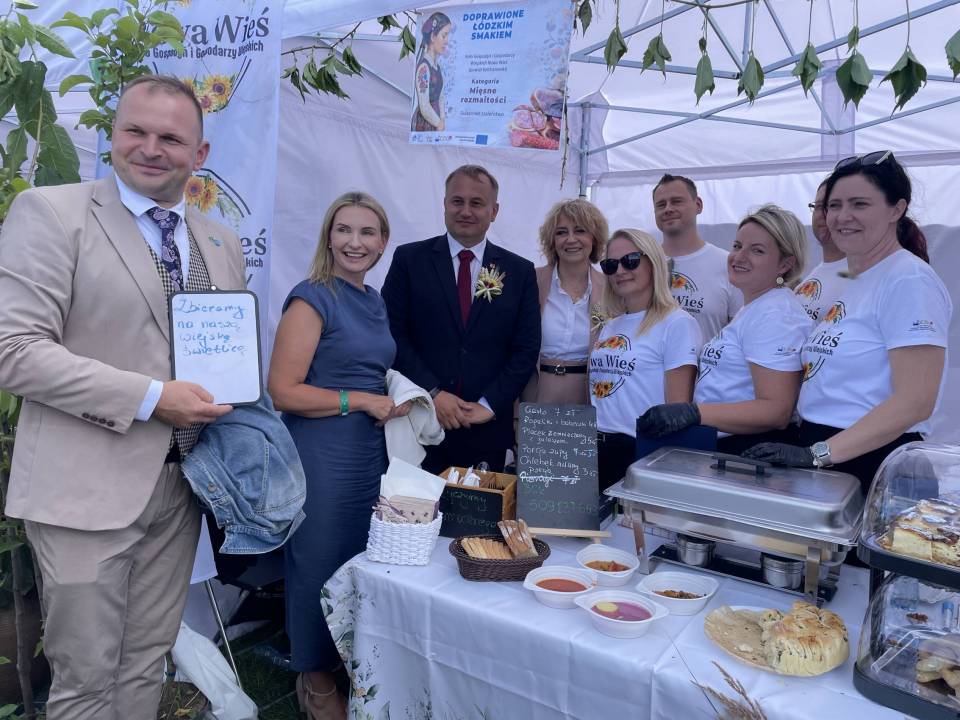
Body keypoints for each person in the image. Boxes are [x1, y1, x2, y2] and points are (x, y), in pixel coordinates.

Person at [0, 75, 245, 718]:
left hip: (182, 490)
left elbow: (221, 360)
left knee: (145, 665)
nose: (151, 148)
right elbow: (13, 349)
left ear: (200, 153)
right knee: (85, 682)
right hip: (83, 491)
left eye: (171, 138)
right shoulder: (52, 213)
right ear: (112, 135)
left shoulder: (221, 242)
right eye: (136, 130)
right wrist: (151, 397)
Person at [268, 192, 407, 719]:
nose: (355, 242)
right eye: (344, 230)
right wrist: (361, 401)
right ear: (328, 236)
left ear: (383, 242)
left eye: (367, 232)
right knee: (318, 562)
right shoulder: (312, 297)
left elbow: (366, 368)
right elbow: (283, 390)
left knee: (358, 560)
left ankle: (349, 663)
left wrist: (396, 396)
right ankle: (315, 678)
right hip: (321, 453)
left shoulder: (374, 300)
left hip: (369, 452)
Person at [744, 151, 952, 494]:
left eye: (859, 204)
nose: (842, 217)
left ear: (896, 210)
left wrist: (818, 454)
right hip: (829, 456)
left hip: (874, 463)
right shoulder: (857, 280)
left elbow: (915, 401)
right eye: (834, 206)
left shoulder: (908, 279)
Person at [382, 165, 540, 474]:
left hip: (486, 431)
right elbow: (393, 334)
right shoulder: (409, 260)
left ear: (494, 211)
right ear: (444, 204)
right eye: (457, 201)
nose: (465, 211)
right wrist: (433, 394)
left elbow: (525, 349)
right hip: (418, 425)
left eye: (476, 203)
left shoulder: (519, 271)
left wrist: (489, 404)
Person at [638, 204, 812, 455]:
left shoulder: (776, 315)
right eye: (737, 246)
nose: (739, 257)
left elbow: (776, 411)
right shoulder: (756, 307)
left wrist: (693, 413)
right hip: (725, 443)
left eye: (757, 250)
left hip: (747, 451)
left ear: (785, 264)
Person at [590, 229, 701, 491]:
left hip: (641, 450)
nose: (620, 271)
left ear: (653, 262)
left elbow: (677, 409)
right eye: (610, 265)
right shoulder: (610, 325)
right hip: (595, 448)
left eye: (630, 261)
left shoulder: (677, 323)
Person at [526, 198, 608, 404]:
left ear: (594, 238)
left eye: (580, 231)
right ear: (552, 240)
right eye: (561, 232)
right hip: (534, 390)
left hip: (590, 396)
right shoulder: (530, 281)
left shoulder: (611, 289)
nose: (571, 239)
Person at [653, 173, 742, 341]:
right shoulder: (642, 264)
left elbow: (741, 333)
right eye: (661, 205)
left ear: (698, 205)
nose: (668, 209)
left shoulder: (728, 264)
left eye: (676, 201)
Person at [795, 180, 850, 321]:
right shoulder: (811, 276)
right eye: (818, 206)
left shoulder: (863, 275)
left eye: (832, 206)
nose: (823, 214)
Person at [411, 12, 451, 132]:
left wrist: (442, 119)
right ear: (433, 37)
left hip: (436, 123)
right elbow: (424, 105)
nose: (446, 41)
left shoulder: (437, 67)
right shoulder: (424, 67)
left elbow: (441, 97)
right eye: (444, 36)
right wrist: (438, 123)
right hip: (425, 124)